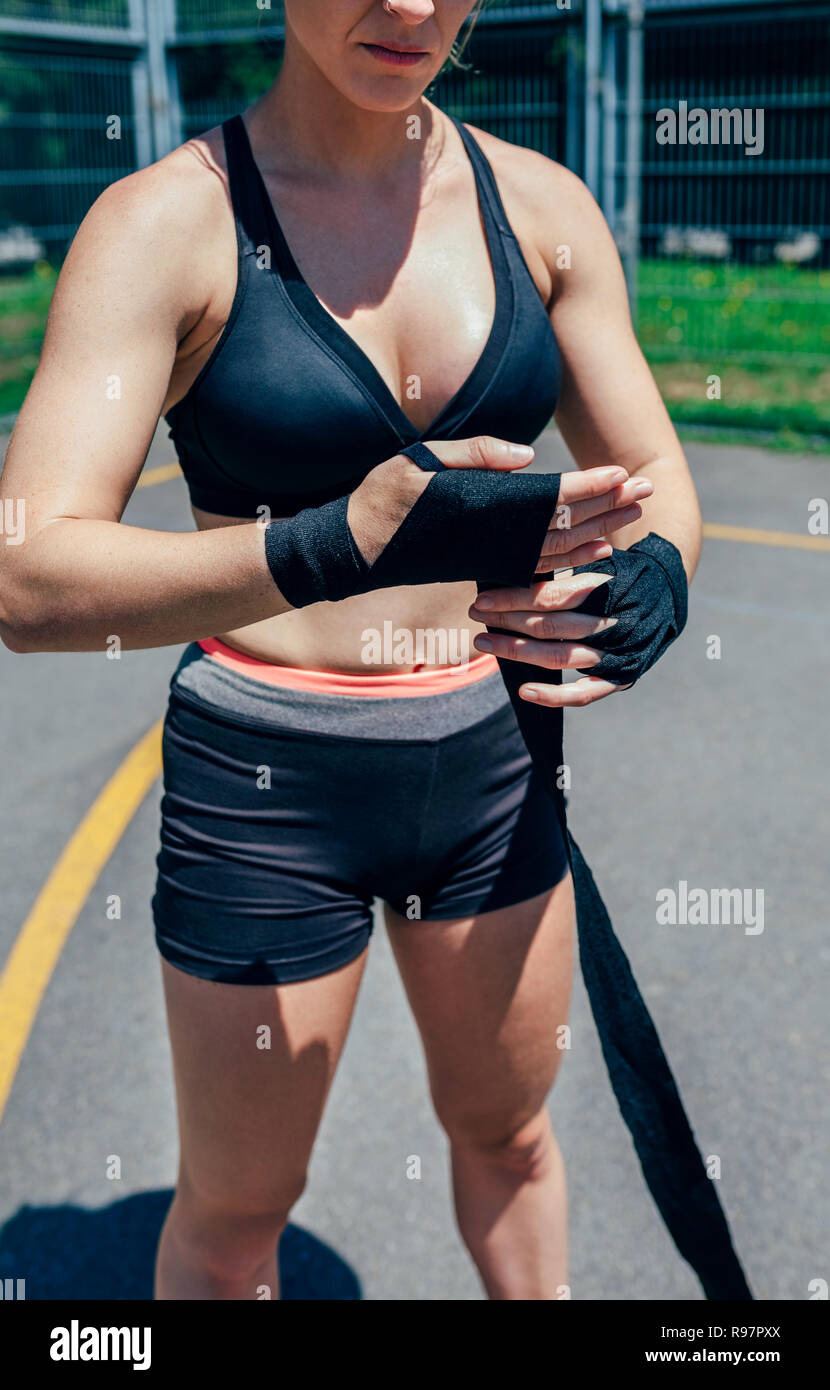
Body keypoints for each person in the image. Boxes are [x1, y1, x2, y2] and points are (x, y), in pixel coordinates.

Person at [0, 0, 702, 1300]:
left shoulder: (541, 207)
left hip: (488, 762)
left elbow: (652, 465)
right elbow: (30, 572)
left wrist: (657, 568)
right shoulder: (165, 224)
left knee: (508, 1136)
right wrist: (332, 540)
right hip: (267, 780)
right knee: (235, 1214)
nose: (412, 6)